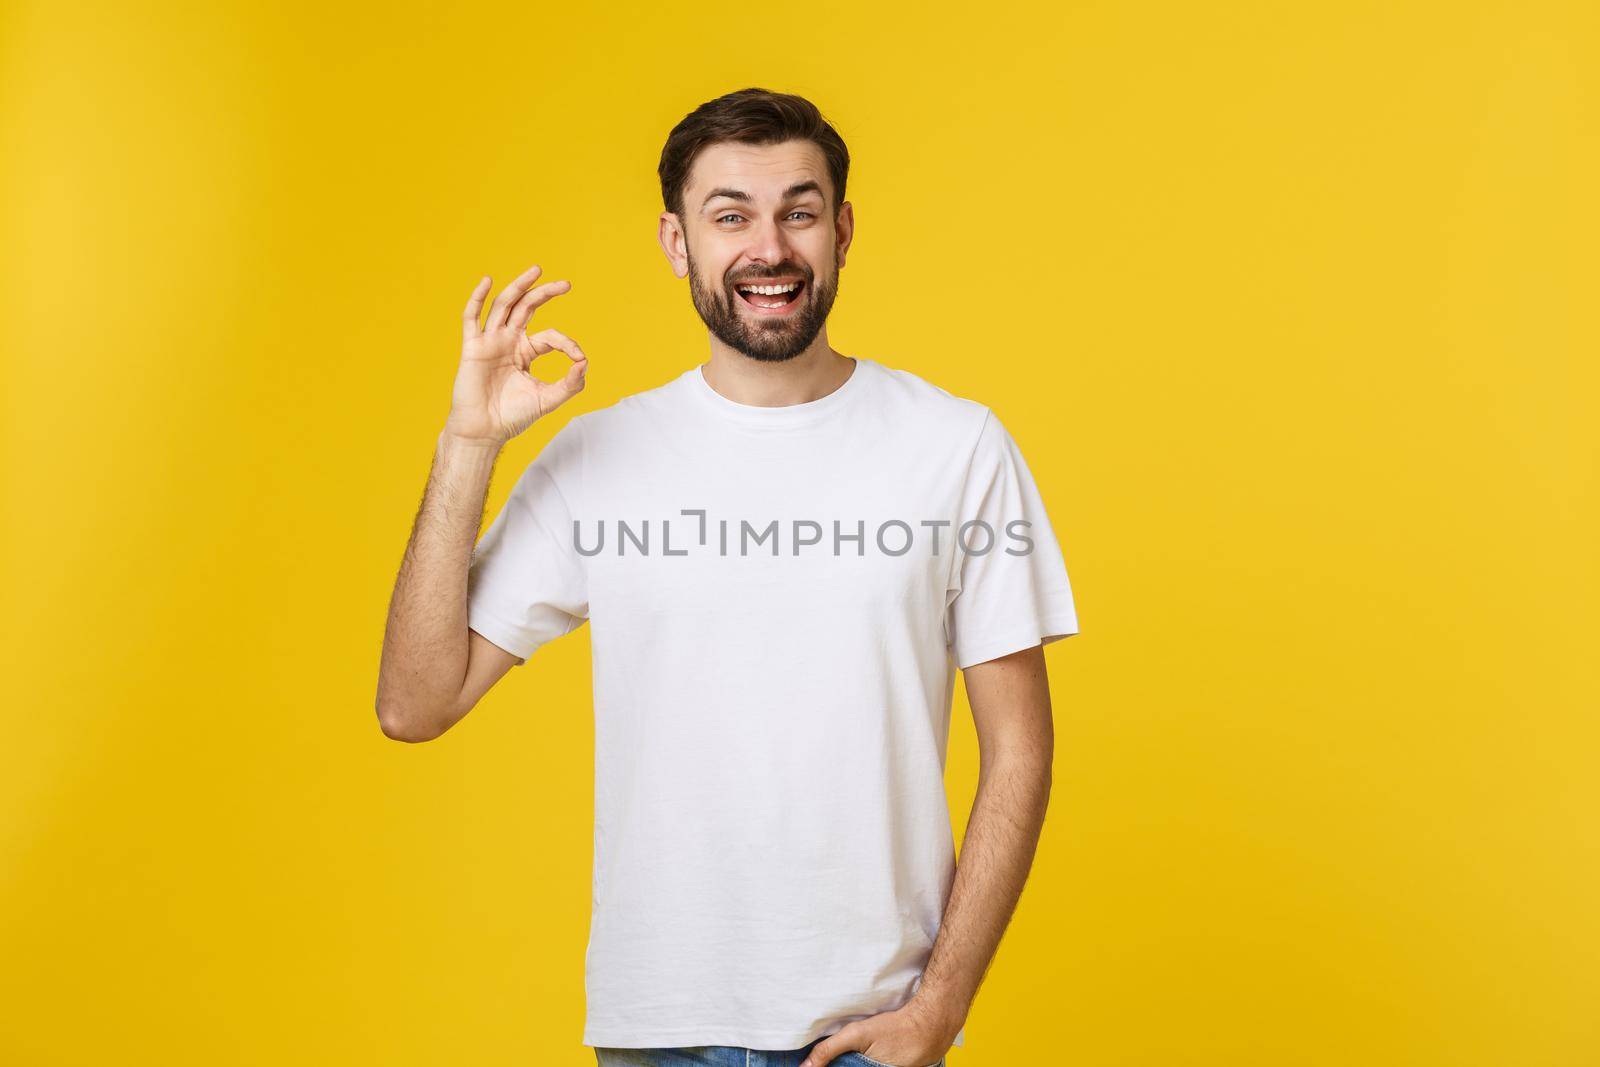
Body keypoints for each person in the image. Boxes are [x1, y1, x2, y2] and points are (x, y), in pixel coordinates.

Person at [375, 88, 1081, 1067]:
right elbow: (414, 701)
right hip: (657, 1023)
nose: (770, 249)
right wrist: (467, 444)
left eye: (798, 211)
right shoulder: (599, 457)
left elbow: (1019, 752)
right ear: (677, 241)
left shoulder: (957, 447)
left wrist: (940, 1003)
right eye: (730, 215)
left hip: (872, 1030)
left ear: (840, 229)